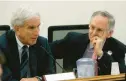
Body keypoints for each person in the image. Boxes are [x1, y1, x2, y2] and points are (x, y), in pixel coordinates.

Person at [51, 11, 126, 75]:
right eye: (92, 27)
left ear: (109, 33)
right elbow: (47, 50)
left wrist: (101, 54)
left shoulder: (118, 48)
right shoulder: (73, 40)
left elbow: (121, 74)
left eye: (99, 30)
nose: (94, 33)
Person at [0, 6, 55, 81]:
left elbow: (51, 74)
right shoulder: (2, 45)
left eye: (38, 26)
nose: (37, 33)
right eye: (31, 28)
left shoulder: (42, 43)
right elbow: (4, 78)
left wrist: (38, 79)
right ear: (17, 29)